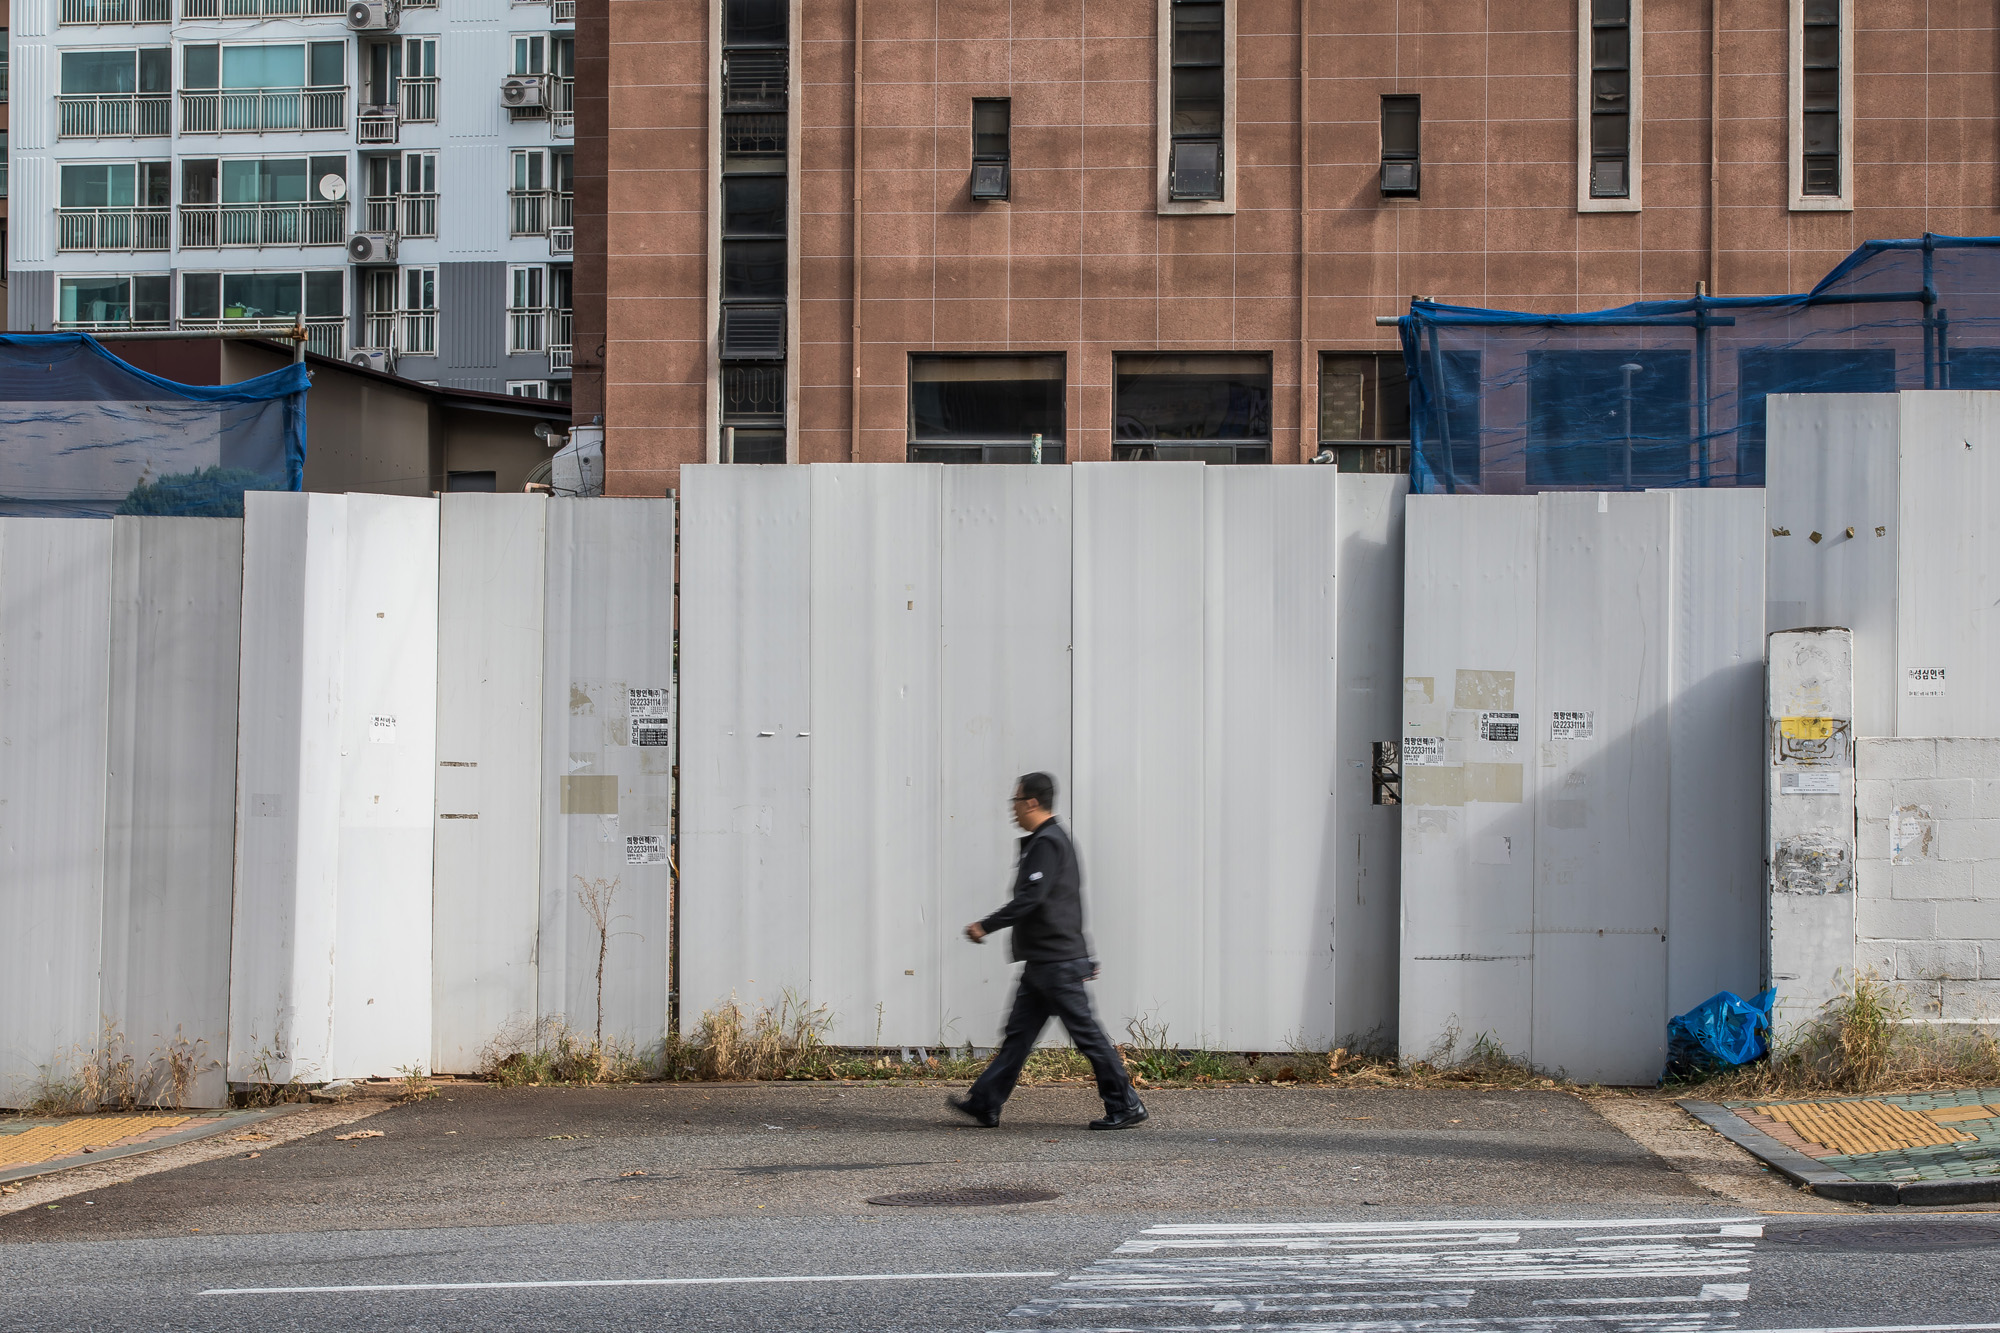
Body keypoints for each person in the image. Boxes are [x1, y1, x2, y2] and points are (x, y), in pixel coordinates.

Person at [947, 772, 1147, 1131]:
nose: (1012, 809)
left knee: (1087, 1036)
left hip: (1057, 963)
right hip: (1046, 961)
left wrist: (985, 925)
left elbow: (1032, 898)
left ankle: (1126, 1103)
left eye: (1016, 801)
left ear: (1032, 802)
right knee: (1018, 1036)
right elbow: (1063, 902)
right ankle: (985, 1103)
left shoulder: (1048, 842)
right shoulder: (1047, 840)